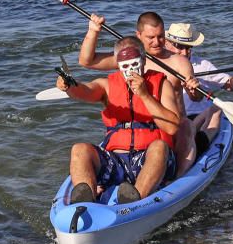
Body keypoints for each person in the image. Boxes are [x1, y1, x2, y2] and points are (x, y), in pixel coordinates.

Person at [58, 36, 180, 205]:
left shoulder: (161, 84)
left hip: (150, 159)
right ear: (117, 64)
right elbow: (86, 91)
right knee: (79, 149)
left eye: (135, 62)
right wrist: (70, 86)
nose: (130, 69)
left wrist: (145, 95)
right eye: (125, 65)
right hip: (116, 160)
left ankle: (135, 200)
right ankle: (86, 200)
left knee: (159, 147)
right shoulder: (107, 85)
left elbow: (173, 127)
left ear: (144, 60)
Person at [79, 11, 199, 174]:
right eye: (151, 37)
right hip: (138, 127)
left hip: (170, 126)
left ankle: (178, 178)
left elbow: (195, 97)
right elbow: (87, 61)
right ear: (139, 35)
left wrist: (193, 88)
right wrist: (93, 31)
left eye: (161, 36)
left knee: (186, 124)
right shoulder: (128, 58)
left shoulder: (179, 63)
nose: (157, 42)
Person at [164, 22, 233, 158]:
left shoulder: (203, 66)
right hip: (169, 120)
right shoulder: (156, 63)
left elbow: (230, 85)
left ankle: (197, 145)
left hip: (198, 119)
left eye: (189, 47)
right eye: (179, 47)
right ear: (167, 43)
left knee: (216, 108)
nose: (185, 52)